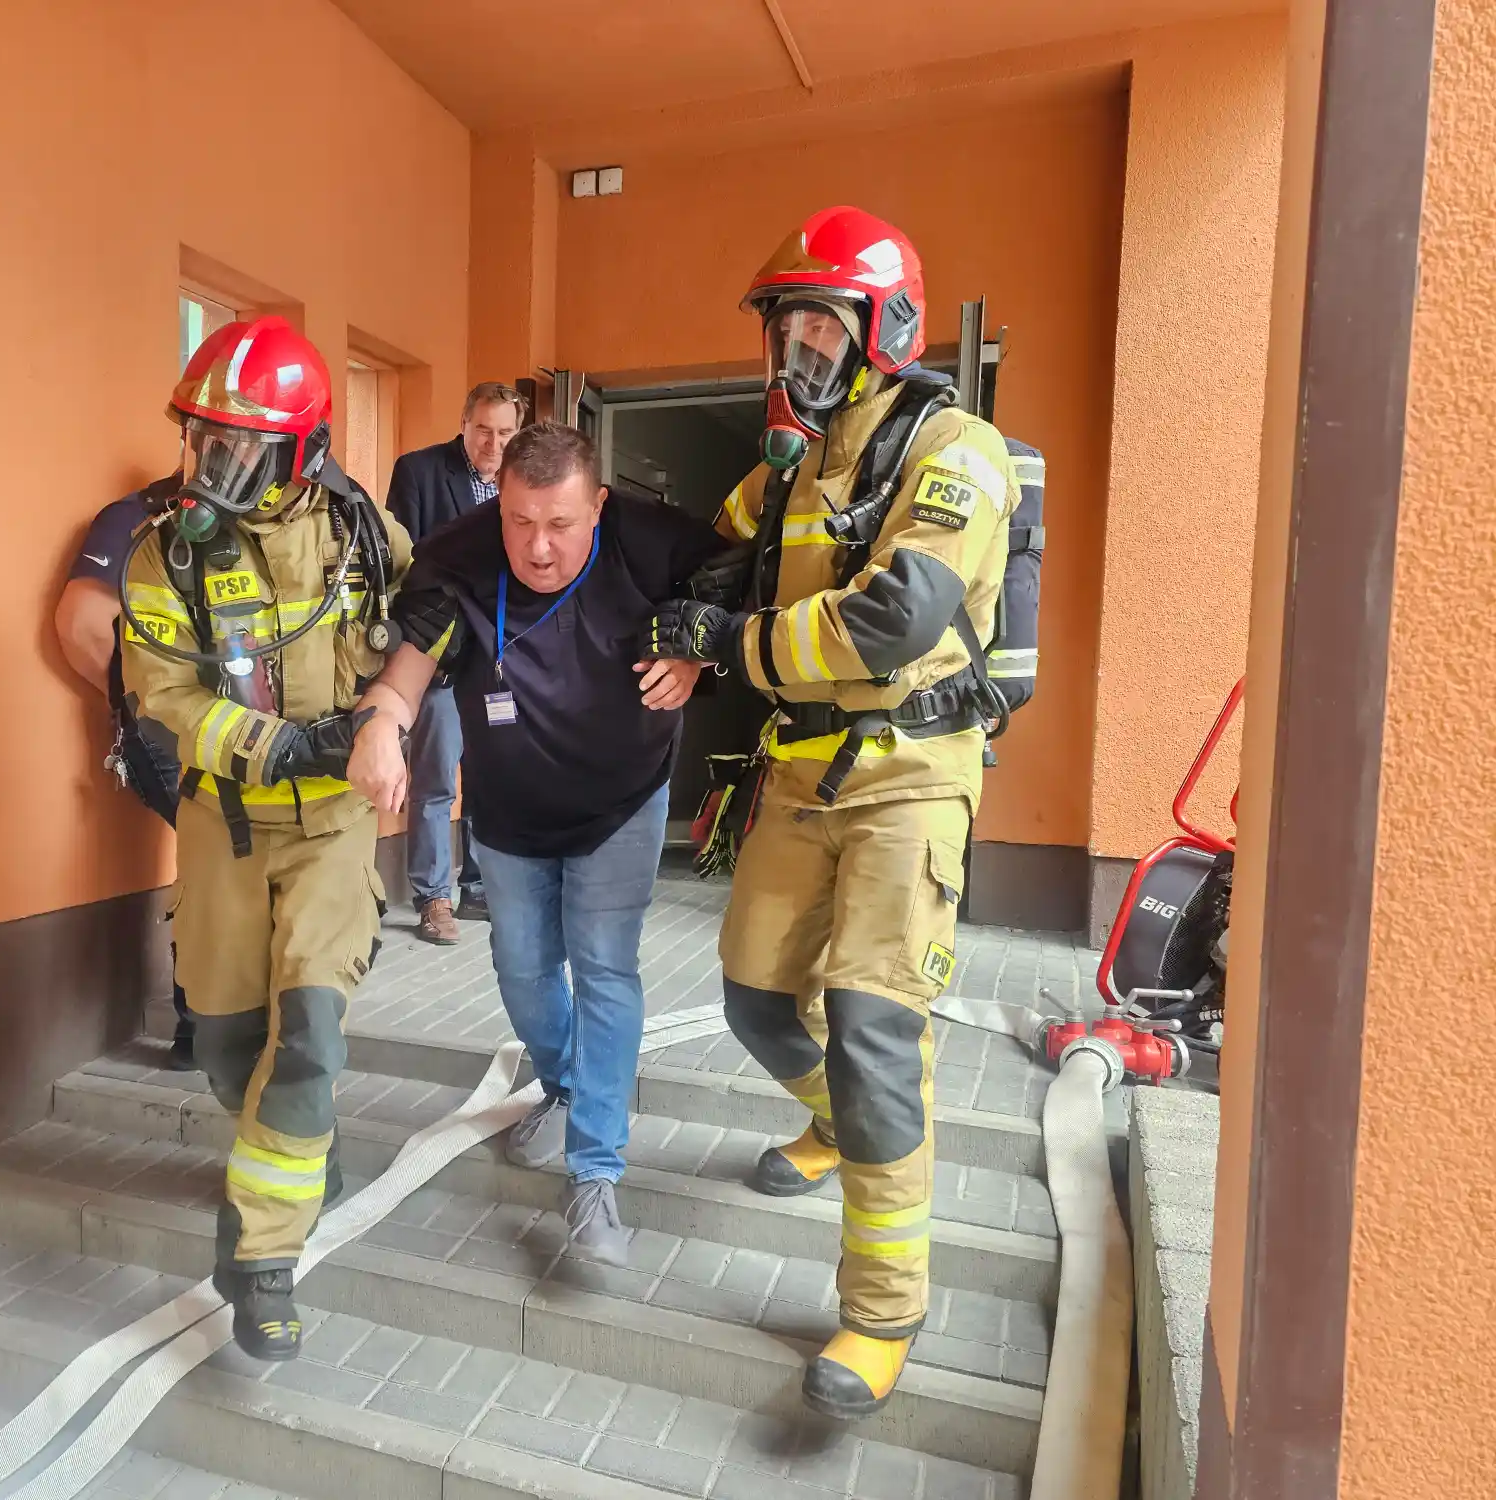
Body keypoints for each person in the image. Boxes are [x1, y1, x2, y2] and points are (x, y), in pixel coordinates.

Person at [640, 206, 1022, 1420]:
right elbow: (708, 552)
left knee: (871, 1036)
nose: (797, 348)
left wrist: (729, 643)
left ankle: (882, 1311)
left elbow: (889, 623)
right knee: (755, 999)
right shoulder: (794, 465)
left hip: (909, 773)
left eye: (820, 325)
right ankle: (832, 1126)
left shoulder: (955, 450)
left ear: (884, 329)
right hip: (800, 768)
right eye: (786, 327)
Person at [348, 422, 718, 1265]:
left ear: (599, 505)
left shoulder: (652, 542)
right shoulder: (460, 555)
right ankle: (567, 1085)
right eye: (519, 521)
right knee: (521, 970)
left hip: (622, 803)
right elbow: (404, 674)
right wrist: (379, 729)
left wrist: (697, 655)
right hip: (510, 813)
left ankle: (595, 1173)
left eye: (559, 523)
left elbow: (738, 587)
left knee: (604, 968)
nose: (538, 547)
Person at [119, 314, 413, 1361]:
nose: (212, 469)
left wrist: (388, 717)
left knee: (309, 1040)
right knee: (228, 1042)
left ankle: (262, 1259)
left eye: (239, 450)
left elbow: (429, 628)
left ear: (304, 452)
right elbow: (164, 698)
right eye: (203, 442)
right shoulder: (163, 558)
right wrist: (283, 746)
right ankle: (298, 1155)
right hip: (226, 826)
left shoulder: (365, 540)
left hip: (333, 831)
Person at [55, 489, 196, 1068]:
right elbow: (81, 626)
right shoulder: (136, 517)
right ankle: (206, 1026)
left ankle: (214, 1024)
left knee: (232, 859)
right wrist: (139, 703)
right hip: (168, 734)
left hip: (241, 733)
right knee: (224, 856)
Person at [382, 383, 528, 943]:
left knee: (495, 776)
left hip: (500, 660)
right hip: (441, 657)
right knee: (437, 779)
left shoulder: (523, 481)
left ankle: (481, 887)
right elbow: (405, 565)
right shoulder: (419, 472)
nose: (494, 444)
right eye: (483, 430)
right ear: (464, 422)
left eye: (506, 432)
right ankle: (432, 897)